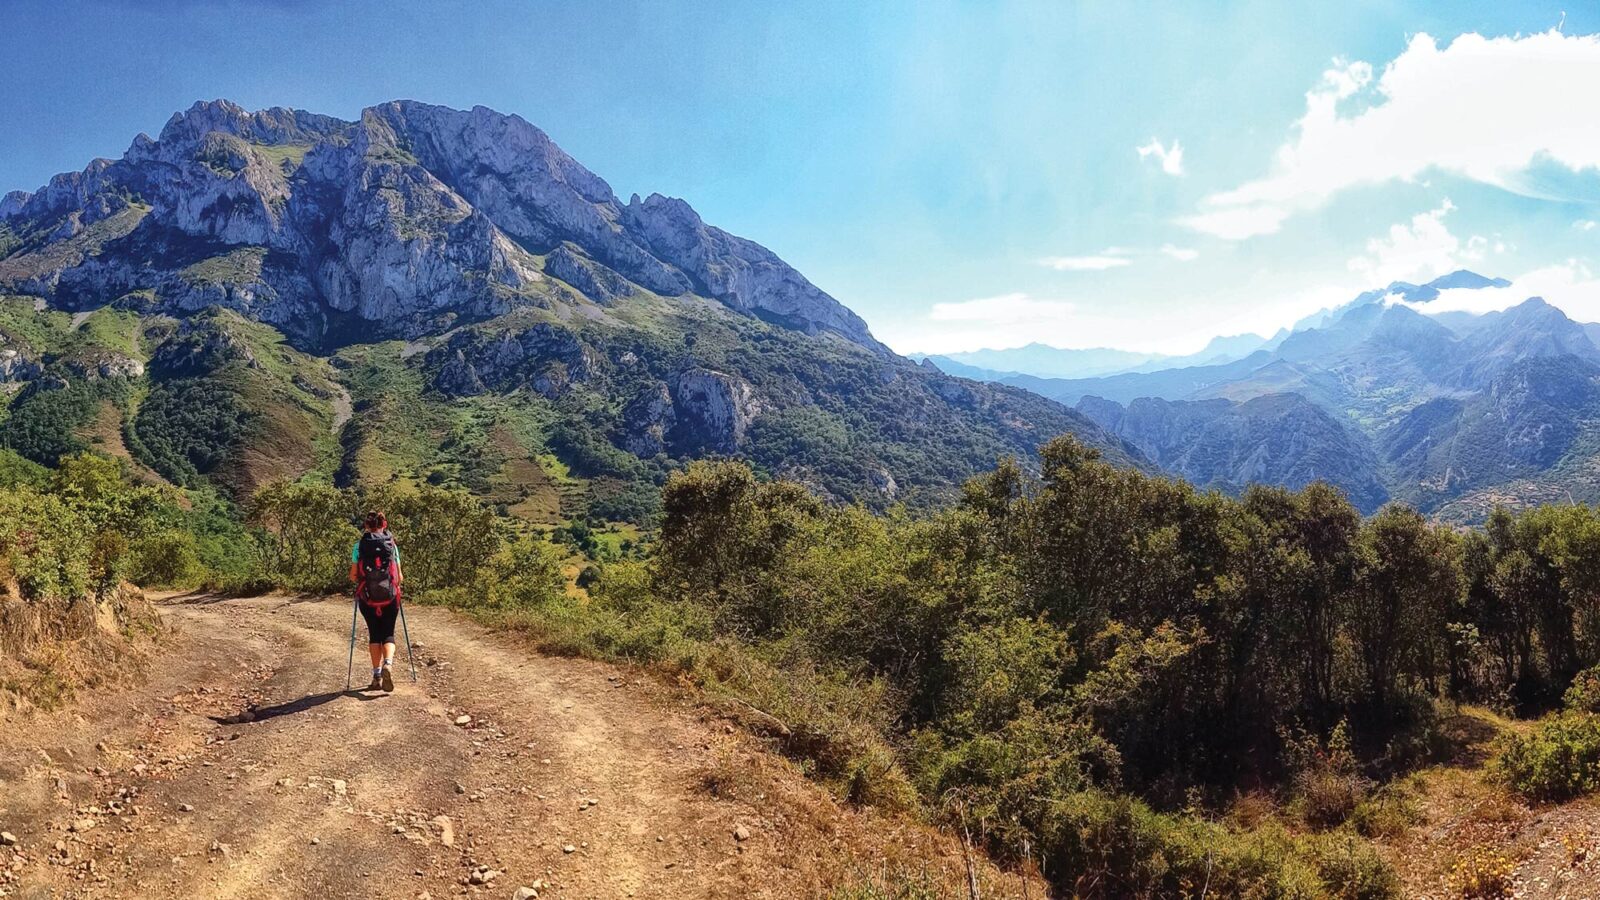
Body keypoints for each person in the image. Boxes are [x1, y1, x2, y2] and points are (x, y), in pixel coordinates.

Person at [351, 510, 404, 692]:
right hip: (390, 597)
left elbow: (353, 576)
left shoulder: (359, 547)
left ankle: (376, 676)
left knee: (375, 634)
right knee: (388, 632)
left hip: (367, 597)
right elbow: (399, 577)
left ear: (366, 526)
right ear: (384, 524)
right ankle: (388, 663)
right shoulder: (391, 545)